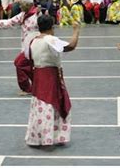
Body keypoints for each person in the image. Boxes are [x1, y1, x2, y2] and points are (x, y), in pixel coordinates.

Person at [24, 16, 80, 146]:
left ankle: (37, 137)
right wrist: (76, 30)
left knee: (40, 104)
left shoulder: (33, 40)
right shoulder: (50, 40)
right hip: (50, 76)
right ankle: (51, 137)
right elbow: (70, 46)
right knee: (51, 104)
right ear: (52, 27)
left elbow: (27, 58)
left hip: (38, 75)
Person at [0, 0, 39, 95]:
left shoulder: (37, 15)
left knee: (19, 63)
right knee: (29, 66)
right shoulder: (23, 15)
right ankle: (37, 85)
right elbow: (10, 22)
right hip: (26, 46)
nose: (20, 6)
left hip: (36, 46)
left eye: (22, 4)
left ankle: (27, 88)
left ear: (29, 5)